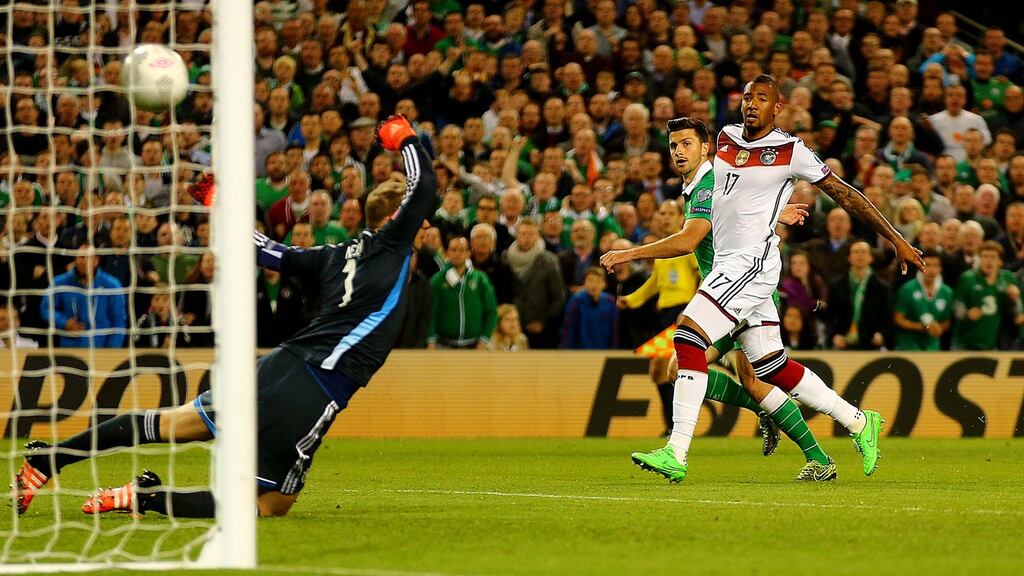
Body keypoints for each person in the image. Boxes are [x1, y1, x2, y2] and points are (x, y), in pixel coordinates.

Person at [15, 116, 438, 518]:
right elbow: (425, 184)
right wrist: (404, 136)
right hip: (318, 382)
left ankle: (49, 458)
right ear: (396, 220)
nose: (425, 228)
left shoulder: (332, 256)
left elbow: (267, 250)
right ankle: (146, 497)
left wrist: (221, 203)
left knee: (178, 422)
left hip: (279, 365)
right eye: (419, 223)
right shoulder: (394, 243)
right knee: (270, 503)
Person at [606, 76, 923, 483]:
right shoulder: (725, 138)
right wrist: (777, 212)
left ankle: (676, 451)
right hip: (735, 264)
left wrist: (896, 239)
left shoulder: (792, 151)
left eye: (762, 98)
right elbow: (731, 197)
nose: (751, 104)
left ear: (778, 107)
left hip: (749, 262)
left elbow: (844, 193)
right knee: (772, 368)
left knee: (688, 338)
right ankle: (860, 421)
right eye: (746, 97)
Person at [601, 116, 834, 480]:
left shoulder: (709, 182)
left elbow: (689, 239)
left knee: (685, 365)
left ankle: (679, 451)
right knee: (755, 379)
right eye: (674, 145)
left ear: (706, 147)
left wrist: (630, 252)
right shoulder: (707, 183)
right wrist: (774, 217)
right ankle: (818, 456)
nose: (679, 151)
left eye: (687, 144)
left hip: (737, 290)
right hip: (732, 288)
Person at [40, 243, 127, 349]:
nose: (85, 261)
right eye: (81, 257)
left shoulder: (112, 285)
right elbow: (46, 309)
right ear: (75, 259)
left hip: (102, 350)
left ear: (96, 260)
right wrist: (64, 322)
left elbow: (118, 320)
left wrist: (112, 349)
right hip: (70, 349)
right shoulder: (59, 282)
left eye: (89, 258)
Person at [426, 236, 497, 349]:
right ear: (447, 252)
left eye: (461, 250)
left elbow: (491, 311)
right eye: (453, 250)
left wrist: (484, 340)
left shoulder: (480, 278)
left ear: (468, 253)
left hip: (475, 345)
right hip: (444, 345)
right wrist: (431, 340)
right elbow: (430, 313)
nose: (457, 254)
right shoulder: (438, 280)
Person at [893, 250, 953, 351]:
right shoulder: (907, 289)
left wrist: (939, 328)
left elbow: (947, 321)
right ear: (919, 266)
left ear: (940, 268)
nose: (931, 270)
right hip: (908, 343)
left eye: (935, 265)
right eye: (927, 265)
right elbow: (898, 318)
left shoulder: (947, 292)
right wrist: (921, 327)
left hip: (933, 344)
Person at [560, 267, 617, 349]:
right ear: (584, 283)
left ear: (604, 284)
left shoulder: (610, 302)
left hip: (603, 350)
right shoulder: (576, 301)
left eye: (598, 281)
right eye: (590, 280)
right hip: (580, 351)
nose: (594, 285)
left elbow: (614, 332)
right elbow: (568, 329)